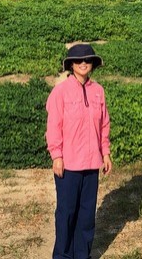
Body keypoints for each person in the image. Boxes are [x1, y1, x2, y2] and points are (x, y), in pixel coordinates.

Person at [46, 43, 112, 259]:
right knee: (66, 214)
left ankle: (83, 255)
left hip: (92, 163)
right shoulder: (60, 92)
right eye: (78, 60)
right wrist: (57, 155)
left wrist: (105, 153)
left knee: (86, 216)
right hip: (69, 164)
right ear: (71, 65)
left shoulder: (98, 91)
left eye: (87, 60)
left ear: (92, 64)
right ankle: (63, 256)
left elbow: (104, 125)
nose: (83, 63)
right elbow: (54, 126)